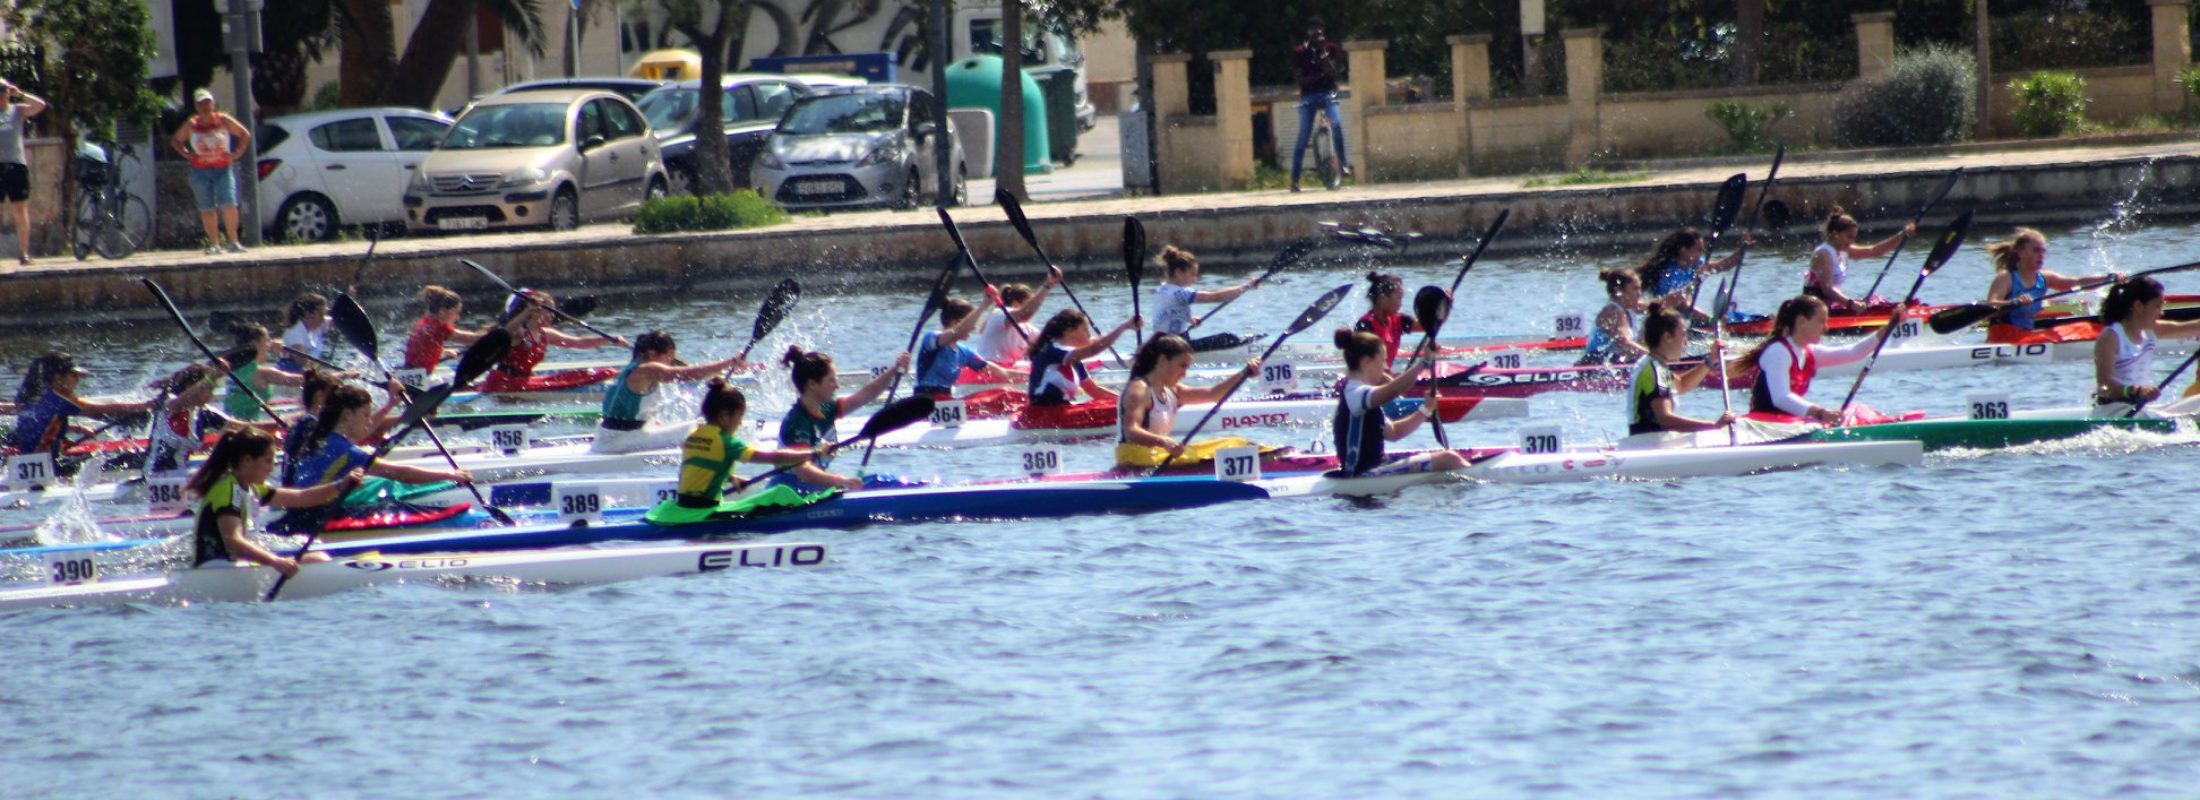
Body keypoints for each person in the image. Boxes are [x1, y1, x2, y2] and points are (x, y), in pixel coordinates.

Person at [278, 385, 469, 529]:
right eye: (365, 414)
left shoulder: (317, 433)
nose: (370, 421)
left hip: (298, 511)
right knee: (393, 507)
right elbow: (402, 474)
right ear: (346, 415)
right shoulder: (346, 450)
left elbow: (362, 434)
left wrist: (391, 403)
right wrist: (450, 475)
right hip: (317, 519)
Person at [186, 428, 361, 579]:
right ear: (247, 461)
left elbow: (301, 497)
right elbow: (233, 539)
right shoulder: (229, 489)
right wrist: (275, 561)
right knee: (318, 560)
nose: (271, 468)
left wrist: (340, 485)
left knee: (317, 558)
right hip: (216, 569)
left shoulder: (252, 488)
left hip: (232, 566)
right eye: (267, 461)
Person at [668, 379, 847, 511]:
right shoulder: (727, 442)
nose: (739, 424)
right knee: (780, 493)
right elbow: (775, 457)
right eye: (739, 418)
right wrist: (815, 452)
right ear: (724, 416)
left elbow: (702, 465)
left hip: (683, 504)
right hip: (704, 509)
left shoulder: (693, 435)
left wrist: (731, 478)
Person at [1735, 295, 1911, 424]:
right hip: (1766, 425)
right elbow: (1781, 398)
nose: (1826, 328)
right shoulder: (1778, 351)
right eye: (1821, 321)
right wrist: (1820, 413)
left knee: (1860, 411)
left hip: (1790, 423)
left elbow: (1853, 352)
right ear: (1802, 321)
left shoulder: (1807, 351)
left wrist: (1890, 325)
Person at [1114, 334, 1263, 469]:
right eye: (1182, 366)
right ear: (1163, 360)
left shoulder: (1173, 391)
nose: (1185, 374)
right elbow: (1131, 431)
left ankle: (1266, 454)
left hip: (1157, 455)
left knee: (1236, 443)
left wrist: (1244, 373)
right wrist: (1165, 442)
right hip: (1135, 460)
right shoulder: (1140, 389)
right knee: (1225, 450)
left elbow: (1213, 394)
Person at [590, 330, 749, 454]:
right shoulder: (648, 369)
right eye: (669, 357)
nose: (670, 363)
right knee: (704, 427)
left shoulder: (633, 366)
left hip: (609, 436)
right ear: (652, 354)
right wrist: (730, 362)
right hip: (620, 441)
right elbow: (688, 374)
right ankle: (737, 453)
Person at [1332, 329, 1466, 476]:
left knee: (1444, 456)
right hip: (1363, 475)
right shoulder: (1355, 392)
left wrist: (1426, 409)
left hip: (1375, 469)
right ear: (1366, 363)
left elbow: (1395, 432)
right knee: (1449, 459)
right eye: (1382, 361)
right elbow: (1392, 391)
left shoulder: (1358, 394)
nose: (1385, 367)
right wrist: (1424, 362)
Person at [775, 346, 910, 490]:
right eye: (831, 380)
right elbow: (803, 471)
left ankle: (925, 487)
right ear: (812, 384)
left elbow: (864, 396)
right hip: (791, 491)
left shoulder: (826, 409)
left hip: (815, 488)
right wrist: (840, 481)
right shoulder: (797, 423)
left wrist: (894, 371)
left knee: (883, 481)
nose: (837, 386)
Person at [8, 352, 153, 466]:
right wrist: (146, 406)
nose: (77, 380)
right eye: (74, 375)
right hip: (51, 466)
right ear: (58, 378)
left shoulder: (30, 397)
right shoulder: (60, 399)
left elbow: (41, 424)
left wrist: (77, 428)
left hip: (26, 463)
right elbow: (101, 409)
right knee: (131, 457)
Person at [1982, 228, 2118, 344]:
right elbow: (1990, 305)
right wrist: (2014, 302)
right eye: (2036, 251)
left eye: (2043, 251)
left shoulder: (2044, 278)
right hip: (2003, 337)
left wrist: (2108, 278)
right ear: (2020, 253)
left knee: (2088, 328)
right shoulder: (2006, 277)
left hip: (2025, 336)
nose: (2041, 256)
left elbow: (2077, 282)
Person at [2089, 277, 2200, 415]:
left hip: (2139, 408)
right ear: (2138, 306)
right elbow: (2104, 385)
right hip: (2112, 410)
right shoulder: (2111, 336)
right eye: (2157, 306)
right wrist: (2134, 391)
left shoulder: (2151, 331)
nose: (2161, 312)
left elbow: (2194, 327)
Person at [481, 290, 625, 394]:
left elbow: (579, 343)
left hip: (525, 380)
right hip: (505, 383)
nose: (552, 315)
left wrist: (609, 339)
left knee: (603, 372)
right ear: (536, 311)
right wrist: (526, 311)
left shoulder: (546, 333)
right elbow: (505, 332)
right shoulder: (518, 332)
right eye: (549, 311)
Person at [1625, 303, 1735, 437]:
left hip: (1650, 443)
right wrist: (1713, 426)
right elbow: (1665, 419)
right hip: (1649, 447)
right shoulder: (1655, 370)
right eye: (1683, 335)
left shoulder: (1654, 365)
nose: (1686, 343)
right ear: (1667, 337)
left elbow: (1682, 384)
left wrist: (1711, 359)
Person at [1019, 309, 1140, 426]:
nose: (1089, 335)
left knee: (1126, 407)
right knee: (1128, 412)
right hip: (1040, 416)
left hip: (1059, 411)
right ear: (1070, 331)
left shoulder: (1073, 359)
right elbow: (1094, 349)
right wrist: (1124, 327)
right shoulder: (1054, 350)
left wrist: (1127, 402)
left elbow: (1095, 391)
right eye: (1085, 330)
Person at [171, 88, 252, 254]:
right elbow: (176, 140)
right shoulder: (192, 124)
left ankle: (233, 241)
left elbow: (244, 134)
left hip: (222, 168)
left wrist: (237, 153)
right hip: (200, 170)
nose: (205, 106)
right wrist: (187, 154)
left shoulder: (223, 120)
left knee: (229, 204)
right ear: (196, 106)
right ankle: (215, 244)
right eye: (201, 103)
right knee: (207, 208)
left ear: (212, 103)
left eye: (207, 102)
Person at [1805, 206, 1914, 314]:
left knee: (1876, 300)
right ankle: (1897, 313)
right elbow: (1827, 289)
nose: (1851, 242)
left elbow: (1874, 251)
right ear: (1835, 234)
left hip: (1830, 301)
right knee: (1874, 307)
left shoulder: (1843, 249)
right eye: (1849, 237)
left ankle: (1901, 309)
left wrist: (1901, 235)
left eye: (1853, 237)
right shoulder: (1824, 254)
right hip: (1815, 307)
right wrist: (1852, 304)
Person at [145, 363, 249, 476]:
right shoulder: (170, 403)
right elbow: (181, 402)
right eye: (209, 389)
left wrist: (270, 427)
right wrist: (211, 376)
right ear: (190, 386)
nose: (211, 395)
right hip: (154, 476)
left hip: (178, 474)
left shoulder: (203, 413)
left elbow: (241, 427)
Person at [913, 297, 1025, 400]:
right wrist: (983, 305)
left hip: (946, 401)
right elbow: (957, 332)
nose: (973, 328)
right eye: (972, 322)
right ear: (955, 322)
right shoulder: (931, 338)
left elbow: (1004, 373)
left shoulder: (964, 352)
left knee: (1003, 394)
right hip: (924, 400)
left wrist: (1036, 375)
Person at [1287, 17, 1352, 192]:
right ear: (1307, 33)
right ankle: (1295, 179)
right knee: (1303, 136)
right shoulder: (1299, 51)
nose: (1317, 34)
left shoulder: (1330, 49)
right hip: (1308, 96)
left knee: (1336, 125)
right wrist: (1318, 77)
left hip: (1328, 94)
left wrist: (1323, 53)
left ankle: (1343, 164)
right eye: (1313, 30)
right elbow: (1301, 81)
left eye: (1320, 30)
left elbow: (1332, 73)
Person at [1633, 227, 1749, 323]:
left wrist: (1743, 248)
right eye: (1698, 250)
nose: (1701, 254)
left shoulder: (1696, 265)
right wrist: (1711, 320)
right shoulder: (1668, 274)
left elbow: (1724, 265)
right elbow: (1681, 306)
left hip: (1684, 316)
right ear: (1684, 251)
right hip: (1664, 318)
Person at [1154, 245, 1261, 337]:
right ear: (1178, 273)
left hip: (1162, 342)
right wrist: (1247, 286)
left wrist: (1189, 319)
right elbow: (1215, 296)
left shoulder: (1163, 289)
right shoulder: (1180, 293)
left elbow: (1170, 313)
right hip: (1175, 345)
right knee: (1227, 337)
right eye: (1192, 274)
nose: (1195, 279)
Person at [0, 77, 48, 266]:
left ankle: (24, 252)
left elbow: (40, 105)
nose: (1, 93)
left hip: (16, 165)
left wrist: (19, 93)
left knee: (20, 209)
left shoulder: (17, 110)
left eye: (3, 89)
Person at [971, 266, 1061, 364]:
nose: (1036, 307)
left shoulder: (1026, 327)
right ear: (1015, 303)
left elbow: (1047, 341)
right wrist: (1048, 284)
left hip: (1008, 369)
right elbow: (1025, 314)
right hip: (987, 368)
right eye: (1029, 302)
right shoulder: (999, 314)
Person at [221, 323, 305, 422]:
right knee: (304, 415)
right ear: (255, 344)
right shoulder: (262, 374)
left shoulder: (233, 369)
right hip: (248, 426)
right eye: (267, 340)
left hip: (231, 422)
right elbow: (301, 380)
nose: (269, 345)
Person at [402, 285, 484, 375]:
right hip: (422, 378)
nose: (458, 317)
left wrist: (442, 352)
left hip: (409, 375)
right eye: (456, 312)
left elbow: (421, 352)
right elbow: (471, 339)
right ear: (443, 311)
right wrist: (498, 333)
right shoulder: (438, 327)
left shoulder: (422, 323)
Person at [1579, 267, 1650, 366]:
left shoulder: (1630, 307)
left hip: (1613, 362)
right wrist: (1655, 358)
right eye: (1635, 289)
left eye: (1640, 288)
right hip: (1594, 365)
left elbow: (1660, 304)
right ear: (1618, 290)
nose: (1640, 293)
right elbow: (1624, 343)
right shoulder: (1612, 311)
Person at [1352, 272, 1418, 362]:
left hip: (1387, 375)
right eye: (1399, 298)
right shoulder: (1365, 326)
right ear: (1382, 298)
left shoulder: (1398, 320)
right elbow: (1364, 367)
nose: (1401, 304)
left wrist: (1442, 302)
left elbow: (1429, 324)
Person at [278, 292, 332, 372]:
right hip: (292, 374)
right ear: (308, 314)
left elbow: (331, 320)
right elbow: (301, 362)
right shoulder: (295, 331)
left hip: (305, 373)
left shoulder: (313, 324)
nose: (323, 319)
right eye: (321, 314)